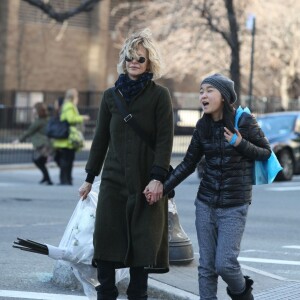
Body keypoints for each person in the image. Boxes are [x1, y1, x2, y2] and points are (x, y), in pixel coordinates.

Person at [146, 73, 272, 300]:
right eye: (201, 91)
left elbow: (265, 152)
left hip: (235, 204)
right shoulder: (202, 126)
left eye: (209, 90)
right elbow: (188, 164)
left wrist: (240, 143)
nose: (203, 95)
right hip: (205, 202)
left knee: (225, 264)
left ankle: (242, 292)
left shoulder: (243, 122)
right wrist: (162, 188)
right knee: (206, 267)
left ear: (223, 96)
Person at [78, 28, 174, 300]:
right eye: (130, 57)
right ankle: (106, 293)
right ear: (124, 59)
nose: (134, 62)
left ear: (149, 63)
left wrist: (157, 178)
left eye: (140, 59)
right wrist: (89, 176)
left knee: (143, 246)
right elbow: (100, 139)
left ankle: (137, 295)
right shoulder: (111, 96)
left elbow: (165, 141)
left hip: (147, 181)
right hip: (113, 180)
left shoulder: (160, 95)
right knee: (107, 241)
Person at [53, 89, 89, 185]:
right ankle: (65, 180)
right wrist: (83, 118)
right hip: (68, 138)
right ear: (74, 97)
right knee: (66, 160)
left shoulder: (67, 105)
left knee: (68, 160)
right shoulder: (69, 105)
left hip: (68, 138)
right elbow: (70, 119)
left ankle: (67, 180)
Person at [13, 102, 53, 185]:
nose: (33, 110)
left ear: (38, 110)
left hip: (42, 145)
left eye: (34, 108)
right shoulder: (45, 119)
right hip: (45, 144)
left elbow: (29, 131)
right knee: (40, 161)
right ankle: (46, 178)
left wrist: (19, 140)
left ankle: (48, 179)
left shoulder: (39, 121)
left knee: (38, 161)